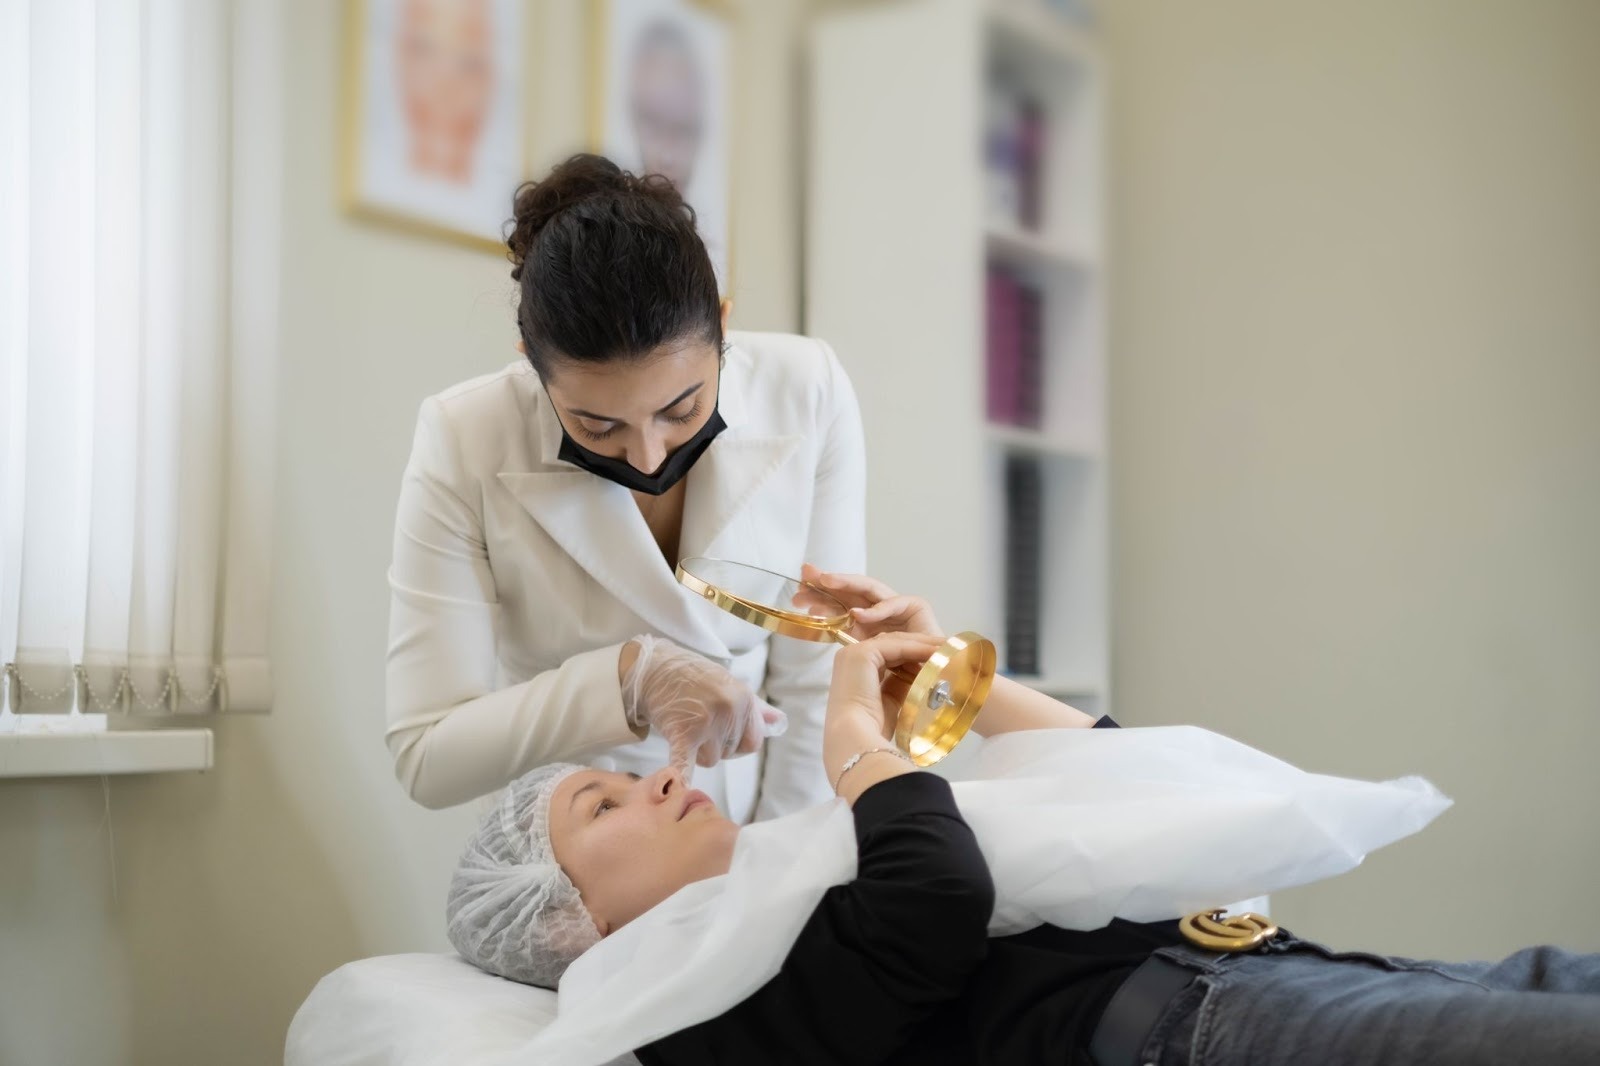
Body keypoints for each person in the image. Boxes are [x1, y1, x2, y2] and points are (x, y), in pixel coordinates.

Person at [446, 571, 1600, 1066]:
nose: (652, 778)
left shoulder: (786, 875)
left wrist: (945, 676)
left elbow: (1120, 788)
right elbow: (938, 900)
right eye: (599, 801)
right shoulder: (693, 1015)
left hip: (1268, 972)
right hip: (1194, 1033)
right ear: (570, 923)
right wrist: (857, 744)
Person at [385, 153, 866, 821]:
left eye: (681, 409)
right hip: (590, 846)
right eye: (597, 423)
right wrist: (627, 678)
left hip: (772, 808)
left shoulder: (807, 388)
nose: (646, 453)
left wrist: (774, 865)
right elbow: (426, 755)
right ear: (533, 366)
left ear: (723, 326)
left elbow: (820, 677)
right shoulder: (465, 435)